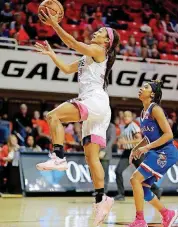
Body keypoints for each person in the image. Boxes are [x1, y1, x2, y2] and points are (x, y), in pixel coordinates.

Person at [34, 8, 120, 226]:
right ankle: (102, 199)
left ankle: (59, 157)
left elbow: (72, 42)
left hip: (95, 100)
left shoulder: (99, 51)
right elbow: (65, 68)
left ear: (106, 42)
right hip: (100, 108)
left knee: (53, 115)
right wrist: (52, 54)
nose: (96, 32)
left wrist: (54, 24)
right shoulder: (88, 57)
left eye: (101, 31)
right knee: (92, 158)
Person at [128, 80, 178, 227]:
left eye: (146, 87)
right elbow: (147, 136)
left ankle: (140, 220)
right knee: (143, 188)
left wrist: (147, 147)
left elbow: (168, 134)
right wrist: (136, 148)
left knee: (135, 179)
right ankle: (167, 214)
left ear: (152, 94)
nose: (141, 89)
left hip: (166, 152)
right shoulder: (144, 112)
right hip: (157, 151)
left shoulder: (155, 109)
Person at [115, 111, 161, 201]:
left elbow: (139, 139)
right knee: (118, 171)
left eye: (128, 116)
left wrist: (127, 142)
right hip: (127, 152)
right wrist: (121, 143)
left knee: (143, 174)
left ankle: (156, 189)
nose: (125, 118)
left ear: (131, 117)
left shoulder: (133, 126)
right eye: (124, 116)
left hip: (136, 152)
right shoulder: (125, 127)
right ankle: (121, 194)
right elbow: (124, 140)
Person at [99, 120, 116, 194]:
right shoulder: (97, 124)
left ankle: (103, 191)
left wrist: (104, 151)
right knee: (94, 172)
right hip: (95, 152)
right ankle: (98, 189)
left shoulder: (111, 126)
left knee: (104, 173)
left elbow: (111, 140)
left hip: (105, 153)